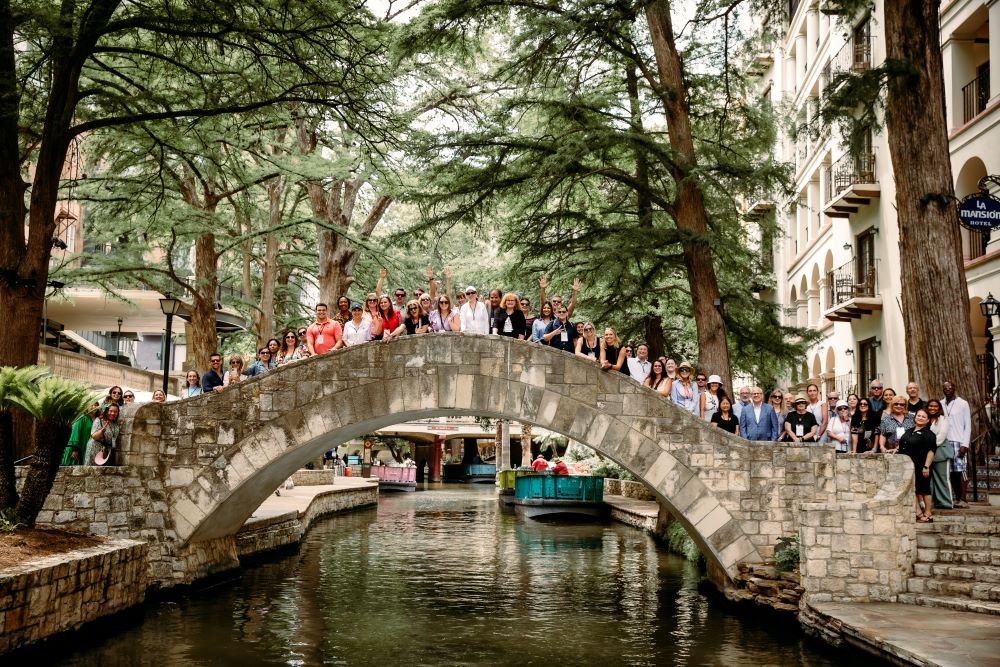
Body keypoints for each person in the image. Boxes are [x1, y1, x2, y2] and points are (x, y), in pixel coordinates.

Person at [899, 408, 937, 523]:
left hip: (921, 465)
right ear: (915, 417)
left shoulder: (929, 434)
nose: (920, 418)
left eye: (923, 417)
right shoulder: (909, 430)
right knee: (913, 490)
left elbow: (931, 451)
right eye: (918, 415)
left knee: (924, 489)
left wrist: (926, 466)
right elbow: (904, 444)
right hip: (908, 466)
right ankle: (919, 513)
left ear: (928, 420)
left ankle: (928, 513)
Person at [942, 381, 971, 507]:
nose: (947, 389)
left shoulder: (963, 403)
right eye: (945, 388)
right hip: (945, 441)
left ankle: (964, 499)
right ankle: (956, 497)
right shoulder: (941, 403)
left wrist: (965, 444)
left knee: (961, 470)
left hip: (959, 441)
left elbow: (968, 426)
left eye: (950, 387)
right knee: (952, 471)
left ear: (954, 388)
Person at [925, 399, 953, 510]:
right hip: (927, 454)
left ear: (939, 408)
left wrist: (926, 445)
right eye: (930, 406)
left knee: (943, 478)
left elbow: (941, 437)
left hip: (941, 451)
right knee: (929, 480)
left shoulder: (944, 419)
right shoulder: (925, 419)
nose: (932, 408)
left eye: (935, 406)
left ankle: (946, 502)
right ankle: (932, 503)